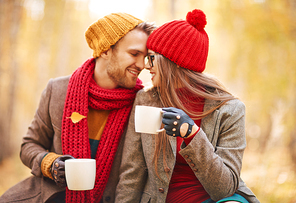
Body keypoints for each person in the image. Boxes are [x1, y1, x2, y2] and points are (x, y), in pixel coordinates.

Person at [0, 12, 155, 203]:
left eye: (145, 57)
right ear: (105, 50)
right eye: (134, 54)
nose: (142, 65)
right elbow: (28, 146)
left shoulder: (142, 103)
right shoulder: (57, 91)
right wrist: (51, 164)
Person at [115, 9, 260, 203]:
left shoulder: (229, 109)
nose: (145, 66)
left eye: (151, 58)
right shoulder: (145, 100)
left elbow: (224, 188)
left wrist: (192, 134)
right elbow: (131, 173)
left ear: (172, 61)